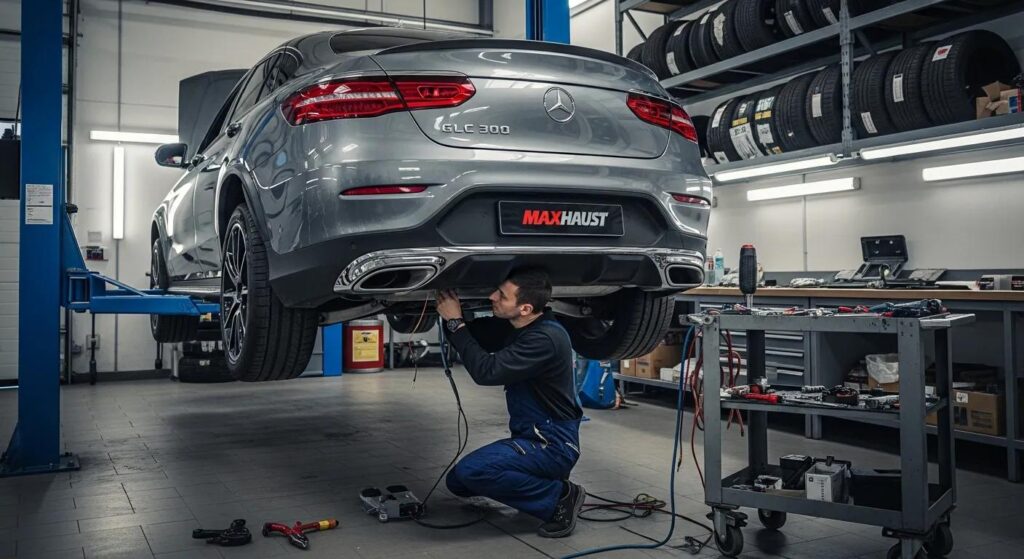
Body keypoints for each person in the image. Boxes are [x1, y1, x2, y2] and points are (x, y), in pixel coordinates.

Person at [434, 268, 585, 538]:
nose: (492, 296)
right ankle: (540, 481)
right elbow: (472, 336)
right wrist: (454, 320)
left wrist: (457, 322)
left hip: (551, 444)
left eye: (501, 296)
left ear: (525, 308)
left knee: (473, 472)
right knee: (457, 483)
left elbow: (486, 371)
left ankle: (559, 497)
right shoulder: (519, 325)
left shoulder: (545, 339)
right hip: (532, 437)